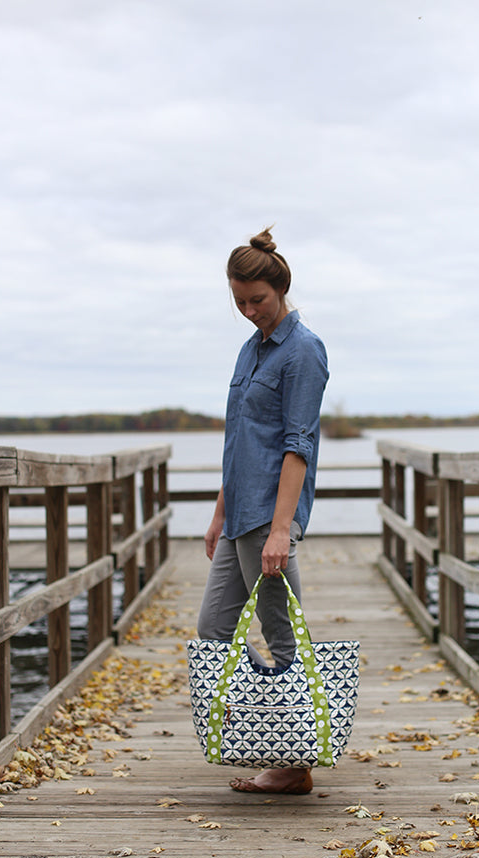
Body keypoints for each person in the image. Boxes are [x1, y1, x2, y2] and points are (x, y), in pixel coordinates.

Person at [197, 227, 329, 794]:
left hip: (271, 517)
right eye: (240, 302)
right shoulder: (250, 349)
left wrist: (282, 530)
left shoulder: (303, 350)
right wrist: (220, 511)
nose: (250, 311)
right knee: (213, 632)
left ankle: (294, 763)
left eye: (259, 300)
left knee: (281, 635)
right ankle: (266, 736)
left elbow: (297, 443)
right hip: (239, 513)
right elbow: (239, 438)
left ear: (281, 289)